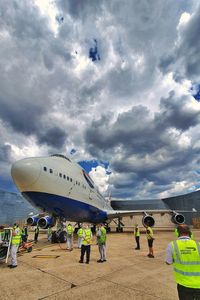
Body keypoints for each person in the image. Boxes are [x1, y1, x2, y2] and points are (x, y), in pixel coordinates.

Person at [166, 224, 200, 300]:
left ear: (177, 233)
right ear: (191, 234)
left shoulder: (172, 245)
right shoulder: (198, 245)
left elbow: (168, 262)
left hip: (184, 284)